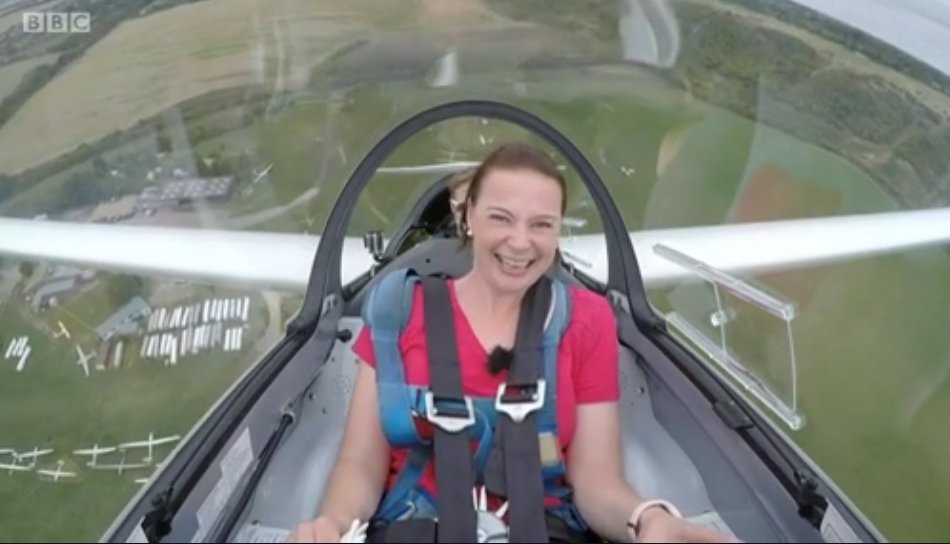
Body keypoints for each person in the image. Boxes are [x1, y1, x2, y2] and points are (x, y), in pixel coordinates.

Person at [290, 143, 735, 543]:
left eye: (541, 225)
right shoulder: (399, 311)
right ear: (467, 217)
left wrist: (648, 518)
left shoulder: (585, 320)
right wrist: (333, 525)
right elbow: (361, 464)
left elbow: (597, 481)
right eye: (501, 218)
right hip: (414, 525)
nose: (520, 242)